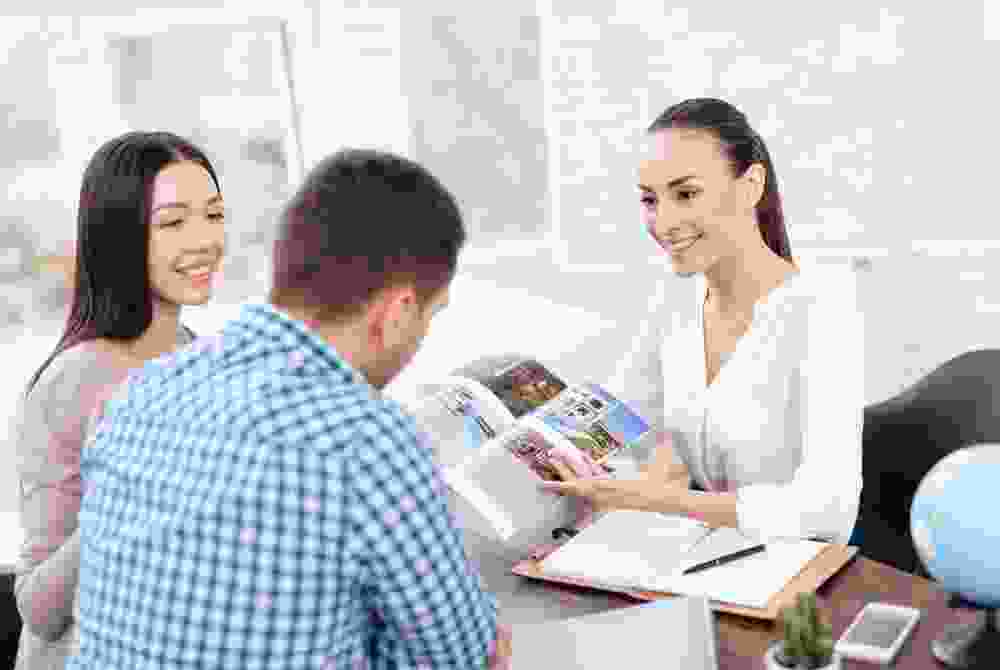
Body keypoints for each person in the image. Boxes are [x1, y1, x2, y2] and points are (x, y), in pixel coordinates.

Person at [65, 148, 510, 670]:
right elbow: (466, 655)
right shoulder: (363, 439)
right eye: (430, 317)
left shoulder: (137, 393)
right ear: (398, 311)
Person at [540, 97, 864, 546]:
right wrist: (532, 442)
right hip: (704, 552)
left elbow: (827, 511)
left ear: (750, 186)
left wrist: (647, 499)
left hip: (797, 568)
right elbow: (621, 419)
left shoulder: (822, 309)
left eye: (686, 194)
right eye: (650, 199)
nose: (664, 222)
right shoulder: (677, 298)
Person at [12, 130, 227, 670]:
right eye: (174, 223)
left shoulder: (206, 360)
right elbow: (38, 607)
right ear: (120, 235)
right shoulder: (71, 381)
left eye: (214, 215)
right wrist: (125, 501)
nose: (203, 239)